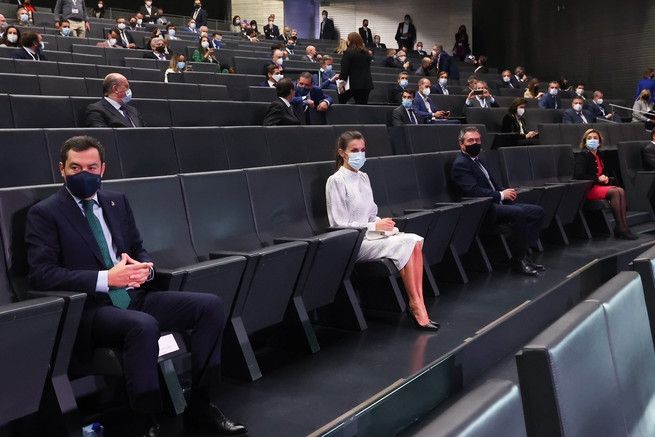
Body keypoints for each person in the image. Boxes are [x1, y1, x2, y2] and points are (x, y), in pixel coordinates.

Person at [25, 135, 247, 436]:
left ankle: (201, 408)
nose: (84, 174)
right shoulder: (45, 213)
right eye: (75, 168)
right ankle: (145, 423)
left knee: (210, 306)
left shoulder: (117, 201)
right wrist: (105, 278)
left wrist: (145, 268)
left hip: (133, 296)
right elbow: (42, 274)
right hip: (91, 308)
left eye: (91, 168)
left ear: (103, 169)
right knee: (142, 326)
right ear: (61, 169)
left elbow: (138, 249)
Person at [326, 131, 439, 330]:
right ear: (342, 153)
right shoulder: (335, 180)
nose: (360, 154)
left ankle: (418, 302)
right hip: (354, 243)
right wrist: (373, 227)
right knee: (408, 242)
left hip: (371, 237)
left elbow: (371, 214)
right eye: (354, 150)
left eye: (362, 150)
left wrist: (382, 224)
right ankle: (416, 306)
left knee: (415, 241)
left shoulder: (364, 177)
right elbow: (338, 224)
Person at [452, 126, 545, 275]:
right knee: (519, 213)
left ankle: (524, 255)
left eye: (477, 140)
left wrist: (506, 191)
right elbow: (473, 191)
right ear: (461, 144)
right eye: (471, 141)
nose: (475, 143)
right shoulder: (461, 164)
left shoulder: (478, 161)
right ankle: (518, 261)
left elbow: (492, 184)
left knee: (537, 212)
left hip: (496, 203)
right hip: (482, 209)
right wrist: (501, 195)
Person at [573, 129, 637, 239]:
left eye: (595, 138)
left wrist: (606, 177)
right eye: (589, 138)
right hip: (588, 188)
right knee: (615, 192)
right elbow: (579, 175)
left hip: (599, 187)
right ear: (585, 141)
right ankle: (620, 228)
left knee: (620, 190)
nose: (592, 140)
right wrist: (597, 178)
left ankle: (624, 226)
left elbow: (604, 171)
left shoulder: (599, 155)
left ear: (599, 141)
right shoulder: (583, 156)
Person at [337, 32, 373, 105]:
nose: (347, 41)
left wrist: (341, 83)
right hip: (366, 84)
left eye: (348, 39)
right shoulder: (367, 53)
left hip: (353, 84)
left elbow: (345, 70)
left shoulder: (348, 52)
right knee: (362, 107)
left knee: (341, 101)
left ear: (351, 41)